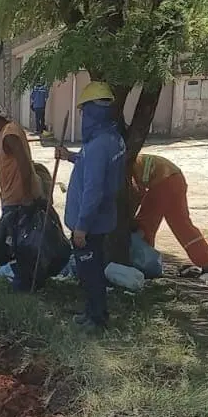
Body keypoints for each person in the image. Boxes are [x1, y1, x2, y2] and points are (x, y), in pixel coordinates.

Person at [55, 82, 125, 330]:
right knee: (91, 269)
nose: (82, 116)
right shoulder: (112, 138)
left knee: (90, 272)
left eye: (84, 111)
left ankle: (96, 319)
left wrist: (81, 227)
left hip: (90, 223)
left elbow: (93, 188)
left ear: (93, 112)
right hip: (103, 217)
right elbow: (93, 167)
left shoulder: (97, 146)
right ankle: (91, 312)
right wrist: (71, 156)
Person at [131, 153, 208, 275]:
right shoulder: (133, 159)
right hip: (176, 178)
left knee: (145, 223)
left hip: (162, 182)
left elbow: (135, 193)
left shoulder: (124, 165)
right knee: (181, 223)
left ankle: (143, 263)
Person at [0, 100, 43, 216]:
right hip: (10, 199)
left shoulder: (10, 134)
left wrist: (27, 195)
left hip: (19, 202)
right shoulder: (2, 134)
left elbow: (25, 164)